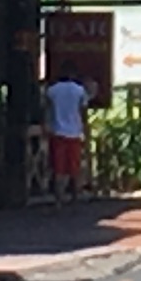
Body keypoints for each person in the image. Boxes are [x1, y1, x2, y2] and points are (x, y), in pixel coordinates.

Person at [41, 67, 91, 200]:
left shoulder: (52, 90)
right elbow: (83, 112)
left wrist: (46, 126)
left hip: (57, 132)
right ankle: (75, 197)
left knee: (58, 169)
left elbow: (47, 110)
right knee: (74, 168)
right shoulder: (79, 90)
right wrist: (85, 131)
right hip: (74, 133)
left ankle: (59, 199)